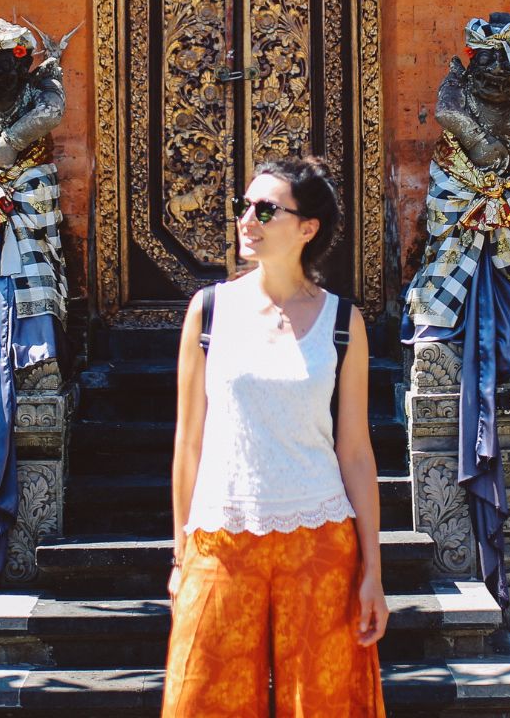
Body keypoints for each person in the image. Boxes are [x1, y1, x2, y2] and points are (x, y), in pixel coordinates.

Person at [163, 157, 388, 717]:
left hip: (319, 537)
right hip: (221, 535)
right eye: (245, 206)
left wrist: (373, 572)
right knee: (202, 701)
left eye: (265, 209)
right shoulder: (209, 310)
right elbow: (187, 442)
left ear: (307, 228)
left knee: (325, 705)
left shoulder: (343, 321)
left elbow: (356, 451)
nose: (247, 219)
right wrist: (179, 551)